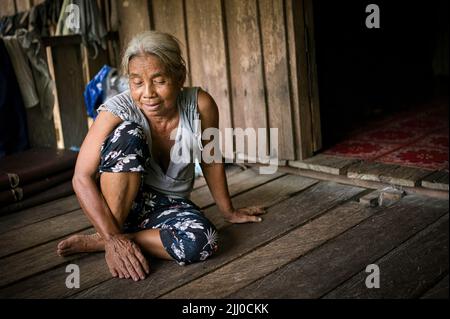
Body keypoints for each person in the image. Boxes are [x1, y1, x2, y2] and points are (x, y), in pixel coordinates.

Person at [56, 31, 265, 282]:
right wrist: (114, 237)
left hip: (170, 204)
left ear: (179, 78)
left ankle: (104, 240)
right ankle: (112, 234)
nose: (148, 93)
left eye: (159, 80)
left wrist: (228, 211)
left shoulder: (199, 104)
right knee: (129, 133)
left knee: (204, 240)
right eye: (137, 82)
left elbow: (210, 158)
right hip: (120, 207)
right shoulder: (117, 109)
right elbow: (81, 177)